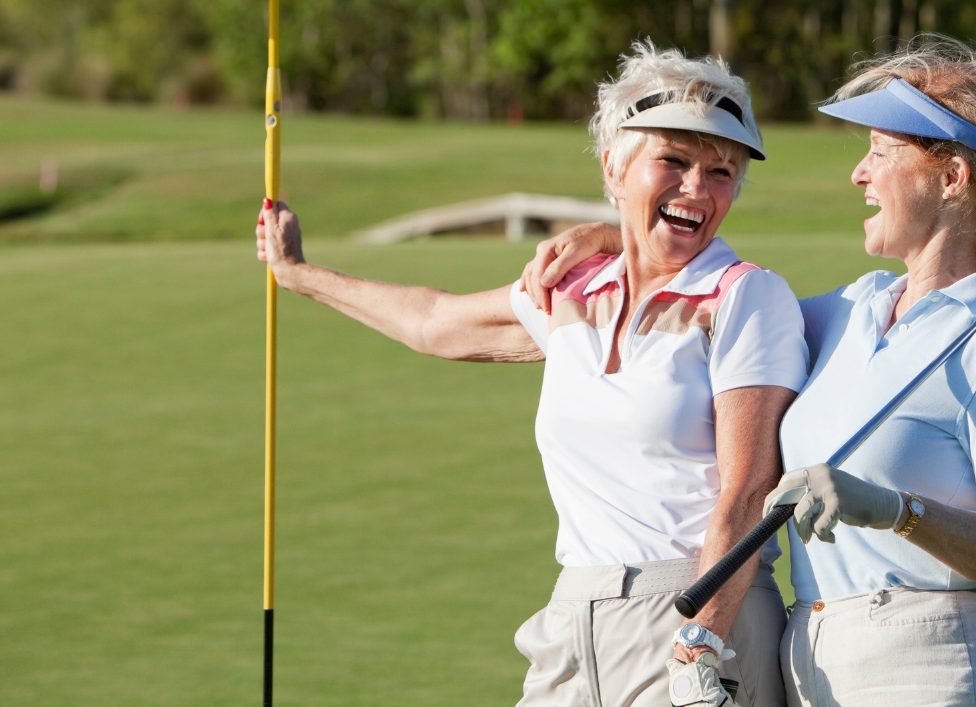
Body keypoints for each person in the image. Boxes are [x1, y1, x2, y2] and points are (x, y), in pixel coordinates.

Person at [524, 38, 976, 706]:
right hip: (812, 664)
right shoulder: (852, 309)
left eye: (880, 150)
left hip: (936, 663)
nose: (858, 173)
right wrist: (618, 237)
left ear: (952, 177)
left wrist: (898, 511)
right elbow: (715, 302)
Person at [256, 43, 808, 707]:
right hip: (573, 618)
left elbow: (748, 495)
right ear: (615, 167)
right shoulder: (572, 287)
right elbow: (436, 321)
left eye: (722, 171)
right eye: (674, 160)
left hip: (695, 611)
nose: (697, 187)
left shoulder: (746, 296)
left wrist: (700, 643)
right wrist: (299, 275)